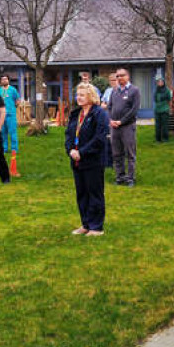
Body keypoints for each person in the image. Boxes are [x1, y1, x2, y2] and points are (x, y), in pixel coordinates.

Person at [65, 83, 110, 236]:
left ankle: (96, 227)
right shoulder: (75, 113)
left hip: (93, 160)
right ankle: (86, 224)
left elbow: (99, 138)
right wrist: (70, 149)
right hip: (77, 161)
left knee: (94, 193)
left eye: (82, 95)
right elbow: (69, 134)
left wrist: (82, 152)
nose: (79, 97)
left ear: (91, 96)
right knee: (82, 193)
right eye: (78, 95)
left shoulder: (99, 113)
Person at [109, 67, 141, 186]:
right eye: (117, 76)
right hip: (114, 127)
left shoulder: (134, 90)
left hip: (127, 127)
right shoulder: (115, 91)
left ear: (128, 76)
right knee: (117, 153)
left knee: (130, 153)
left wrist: (121, 121)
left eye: (122, 75)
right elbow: (110, 107)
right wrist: (111, 120)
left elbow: (134, 110)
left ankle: (130, 178)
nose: (119, 78)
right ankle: (119, 177)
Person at [0, 74, 21, 156]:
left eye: (5, 79)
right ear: (1, 81)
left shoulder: (13, 90)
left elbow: (17, 100)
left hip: (11, 115)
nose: (4, 81)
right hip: (1, 116)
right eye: (2, 79)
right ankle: (4, 149)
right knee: (3, 133)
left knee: (12, 133)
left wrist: (13, 107)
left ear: (8, 80)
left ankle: (14, 149)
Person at [153, 77, 172, 143]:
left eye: (161, 82)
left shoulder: (167, 90)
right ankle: (158, 139)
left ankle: (165, 139)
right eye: (159, 82)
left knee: (165, 125)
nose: (160, 83)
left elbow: (169, 100)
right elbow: (155, 99)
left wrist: (169, 109)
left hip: (165, 109)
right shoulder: (156, 90)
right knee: (157, 125)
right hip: (157, 110)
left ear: (164, 83)